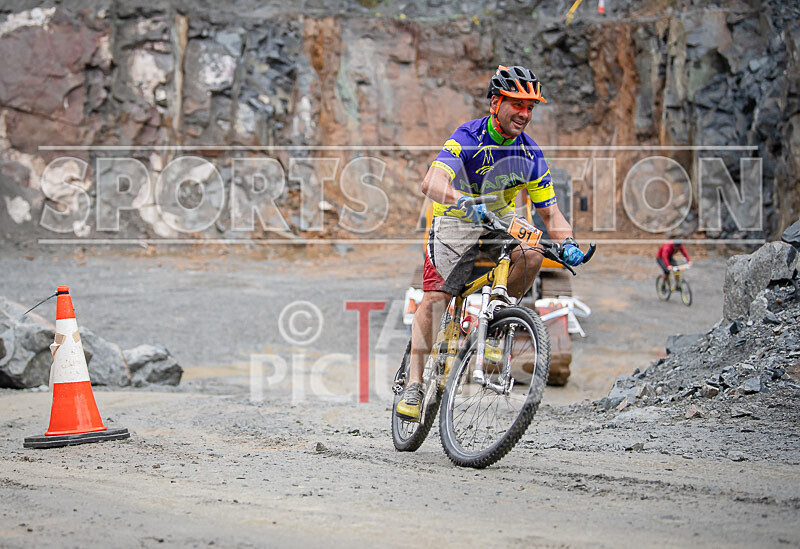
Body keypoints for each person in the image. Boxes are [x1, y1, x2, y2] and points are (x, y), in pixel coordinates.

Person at [396, 65, 588, 422]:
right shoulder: (467, 136)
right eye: (518, 104)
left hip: (500, 223)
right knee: (436, 298)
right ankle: (414, 384)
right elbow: (431, 182)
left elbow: (551, 213)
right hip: (456, 218)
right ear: (496, 102)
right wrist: (462, 200)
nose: (525, 114)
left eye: (531, 108)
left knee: (532, 252)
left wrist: (569, 243)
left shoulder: (531, 155)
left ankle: (496, 330)